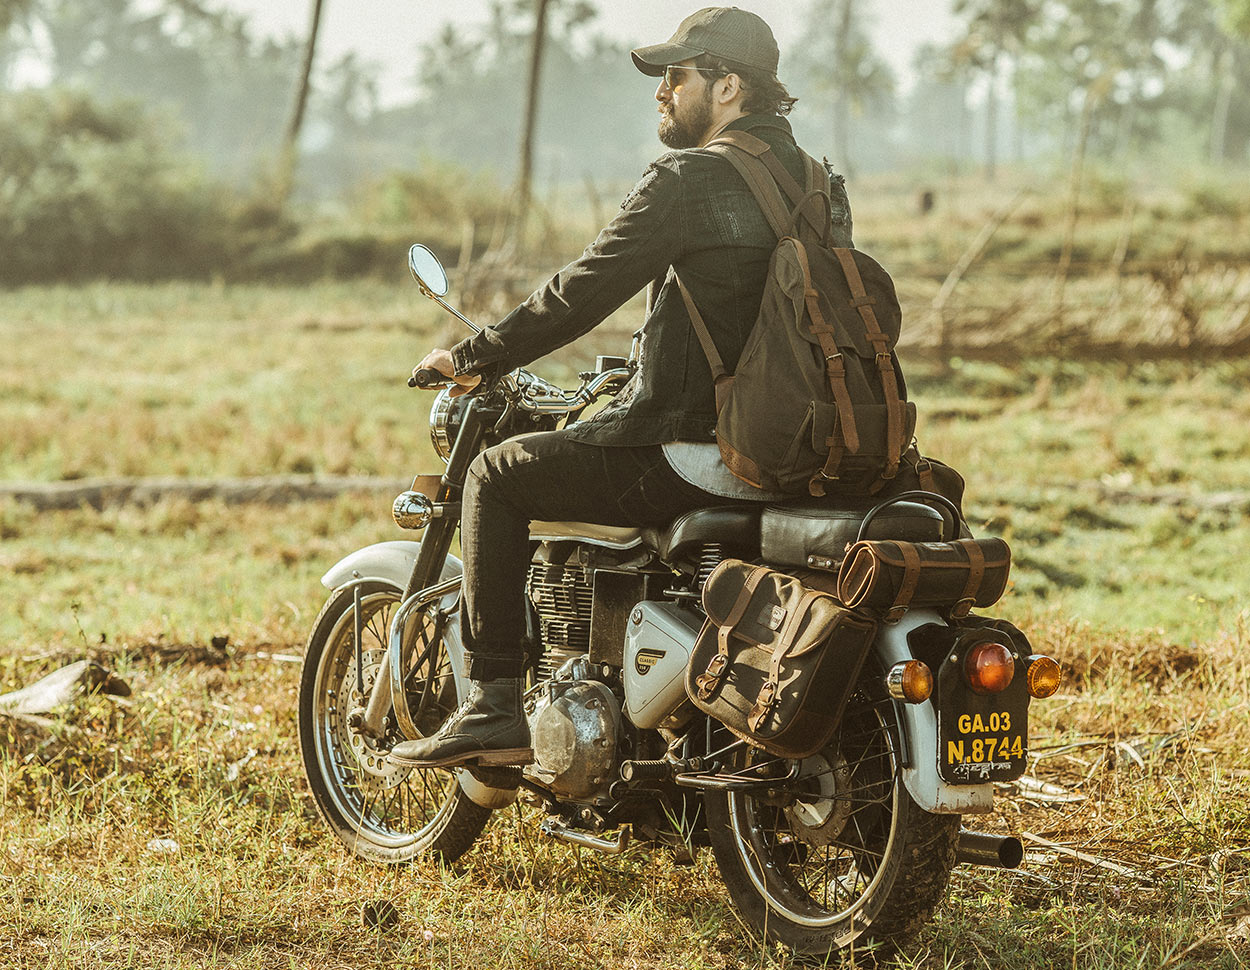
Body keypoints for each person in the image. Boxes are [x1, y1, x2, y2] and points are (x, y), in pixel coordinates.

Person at [388, 6, 853, 769]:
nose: (662, 92)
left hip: (704, 453)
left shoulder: (691, 179)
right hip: (801, 453)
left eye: (677, 75)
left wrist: (476, 356)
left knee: (495, 477)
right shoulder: (817, 182)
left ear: (728, 85)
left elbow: (584, 289)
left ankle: (495, 700)